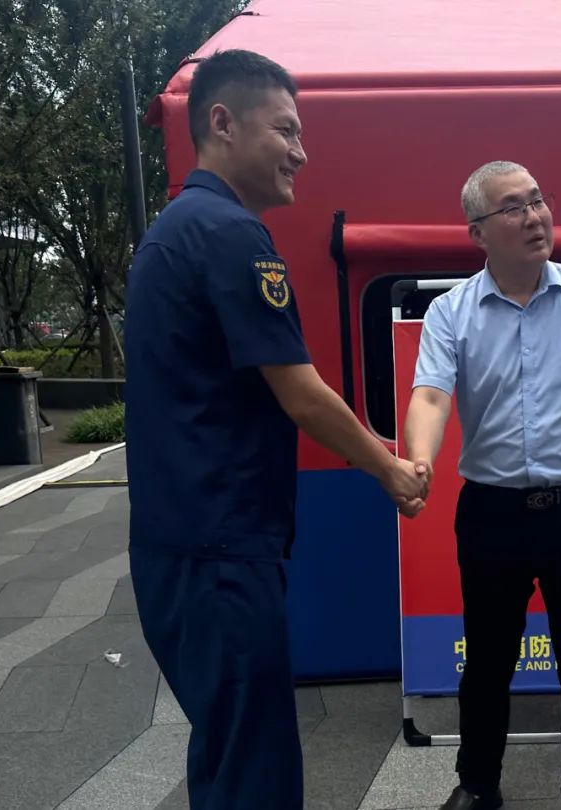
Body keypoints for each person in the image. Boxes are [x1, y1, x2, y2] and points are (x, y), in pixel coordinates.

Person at [124, 49, 428, 810]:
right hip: (221, 551)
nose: (301, 152)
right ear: (222, 123)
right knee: (253, 767)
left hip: (184, 546)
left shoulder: (176, 229)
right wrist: (391, 468)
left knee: (228, 751)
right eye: (285, 130)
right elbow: (302, 394)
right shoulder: (230, 234)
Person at [404, 161, 561, 810]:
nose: (536, 217)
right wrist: (419, 462)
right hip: (492, 514)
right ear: (478, 233)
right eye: (513, 207)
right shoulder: (450, 313)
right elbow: (430, 396)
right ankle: (477, 785)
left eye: (538, 201)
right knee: (487, 660)